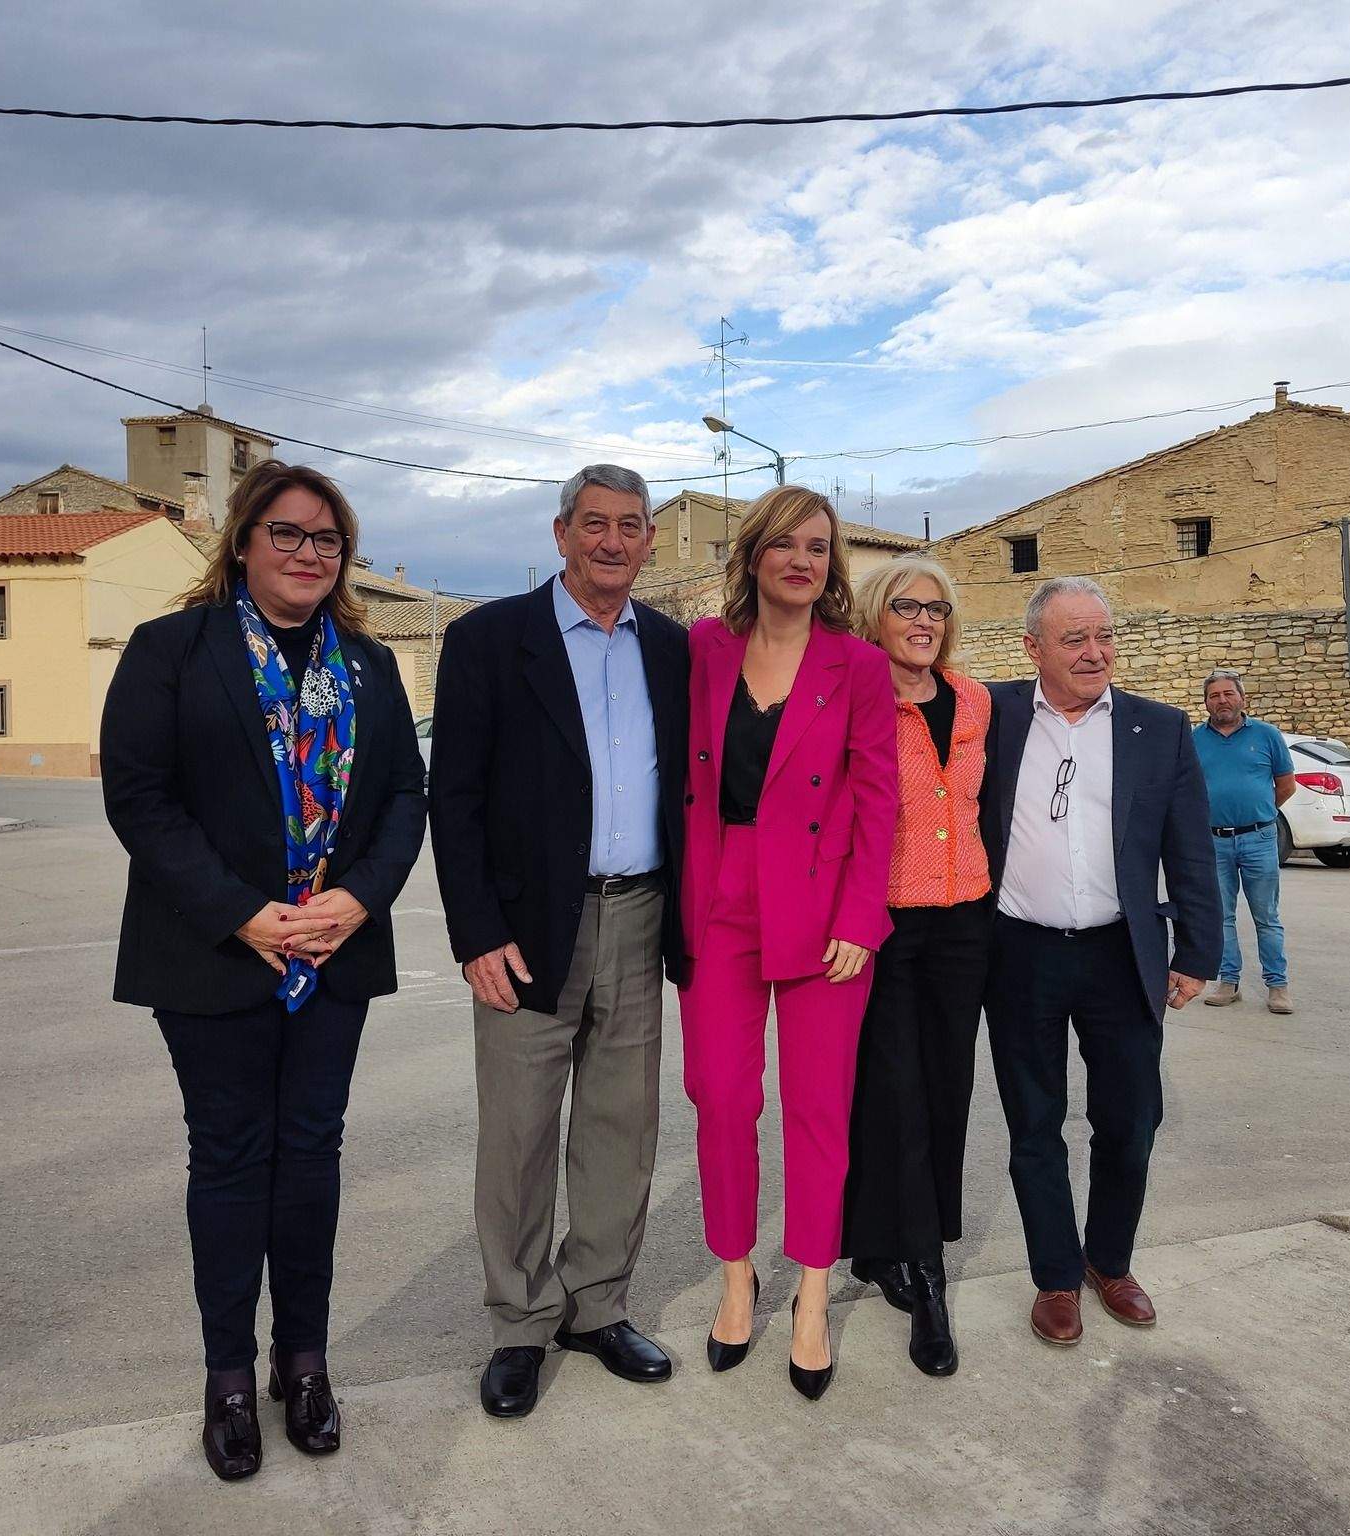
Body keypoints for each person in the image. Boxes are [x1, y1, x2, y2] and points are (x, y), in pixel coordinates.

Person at [101, 460, 428, 1481]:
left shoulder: (370, 667)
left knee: (312, 1156)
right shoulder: (172, 650)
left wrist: (358, 898)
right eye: (286, 535)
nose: (306, 555)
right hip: (213, 955)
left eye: (326, 540)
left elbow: (403, 801)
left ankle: (306, 1361)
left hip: (330, 953)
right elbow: (140, 799)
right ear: (242, 542)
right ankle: (229, 1377)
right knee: (232, 1159)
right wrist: (243, 913)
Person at [428, 465, 688, 1419]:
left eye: (630, 526)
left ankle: (598, 1306)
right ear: (561, 533)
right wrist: (476, 933)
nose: (612, 542)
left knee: (621, 1129)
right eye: (595, 525)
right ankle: (519, 1322)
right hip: (529, 928)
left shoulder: (672, 647)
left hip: (642, 913)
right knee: (520, 1135)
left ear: (651, 539)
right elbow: (451, 799)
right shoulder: (492, 640)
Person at [680, 485, 896, 1402]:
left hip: (822, 909)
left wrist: (859, 917)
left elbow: (879, 798)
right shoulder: (704, 650)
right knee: (721, 1096)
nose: (803, 560)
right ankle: (739, 1276)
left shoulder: (857, 666)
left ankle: (811, 1291)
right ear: (754, 556)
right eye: (786, 545)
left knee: (817, 1106)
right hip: (720, 896)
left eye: (820, 546)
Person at [979, 576, 1221, 1346]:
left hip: (1122, 951)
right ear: (1033, 649)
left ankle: (1108, 1262)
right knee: (1034, 1125)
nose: (1095, 653)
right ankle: (1055, 1277)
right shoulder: (993, 716)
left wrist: (1198, 951)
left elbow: (1189, 848)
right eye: (1074, 639)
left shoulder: (1160, 728)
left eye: (1104, 636)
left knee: (1130, 1121)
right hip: (1018, 951)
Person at [839, 555, 992, 1377]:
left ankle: (888, 1251)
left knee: (947, 1089)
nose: (925, 620)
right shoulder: (857, 698)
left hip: (965, 919)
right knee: (892, 1092)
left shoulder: (974, 700)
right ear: (875, 615)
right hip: (882, 924)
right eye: (907, 606)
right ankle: (923, 1276)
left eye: (937, 607)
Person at [1191, 669, 1298, 1015]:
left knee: (1266, 915)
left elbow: (1286, 785)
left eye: (1228, 694)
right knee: (1221, 916)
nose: (1221, 700)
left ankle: (1277, 986)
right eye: (1214, 696)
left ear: (1242, 697)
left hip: (1259, 838)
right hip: (1214, 841)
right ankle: (1228, 981)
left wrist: (1259, 813)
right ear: (1206, 702)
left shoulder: (1267, 736)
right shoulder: (1195, 739)